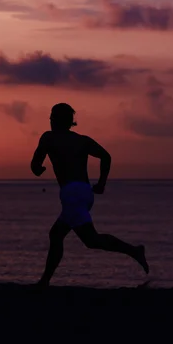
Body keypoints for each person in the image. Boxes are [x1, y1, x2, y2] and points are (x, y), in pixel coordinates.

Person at [31, 103, 149, 289]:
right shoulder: (82, 140)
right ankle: (44, 281)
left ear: (56, 119)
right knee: (57, 234)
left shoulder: (49, 138)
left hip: (72, 194)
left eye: (52, 117)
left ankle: (134, 250)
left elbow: (35, 166)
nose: (50, 120)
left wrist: (39, 169)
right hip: (84, 192)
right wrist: (101, 183)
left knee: (90, 240)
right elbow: (106, 156)